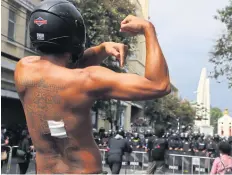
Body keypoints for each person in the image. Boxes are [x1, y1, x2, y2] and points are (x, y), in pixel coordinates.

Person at [14, 0, 170, 173]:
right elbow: (159, 84)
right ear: (75, 35)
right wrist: (149, 30)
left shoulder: (23, 69)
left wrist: (100, 49)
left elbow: (64, 68)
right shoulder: (88, 79)